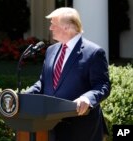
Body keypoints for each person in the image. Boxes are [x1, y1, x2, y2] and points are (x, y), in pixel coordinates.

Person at [25, 7, 111, 141]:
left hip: (81, 128)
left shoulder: (94, 52)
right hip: (49, 126)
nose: (50, 28)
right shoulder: (51, 50)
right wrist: (24, 96)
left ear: (67, 27)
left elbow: (102, 85)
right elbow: (43, 82)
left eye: (53, 24)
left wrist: (87, 99)